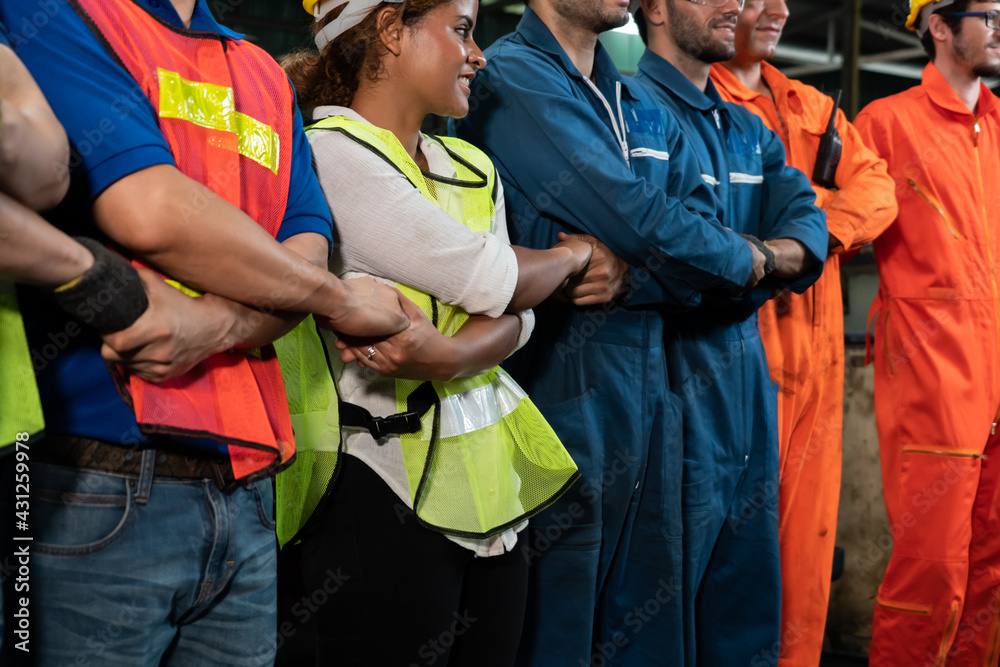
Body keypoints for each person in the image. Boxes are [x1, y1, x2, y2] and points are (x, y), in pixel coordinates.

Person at [0, 0, 412, 663]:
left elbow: (301, 255)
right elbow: (149, 210)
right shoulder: (54, 13)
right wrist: (339, 298)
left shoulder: (261, 71)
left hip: (245, 490)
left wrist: (208, 323)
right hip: (93, 477)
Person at [277, 1, 612, 663]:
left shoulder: (470, 165)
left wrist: (448, 351)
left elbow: (521, 318)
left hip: (492, 492)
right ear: (391, 30)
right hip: (377, 481)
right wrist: (576, 255)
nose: (478, 53)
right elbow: (495, 281)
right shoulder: (331, 153)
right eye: (461, 28)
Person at [455, 0, 785, 663]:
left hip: (650, 414)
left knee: (650, 641)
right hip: (555, 407)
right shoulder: (513, 79)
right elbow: (634, 211)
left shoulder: (636, 103)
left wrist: (635, 277)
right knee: (555, 635)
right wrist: (746, 259)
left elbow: (691, 222)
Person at [630, 1, 827, 663]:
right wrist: (757, 261)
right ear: (654, 8)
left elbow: (808, 221)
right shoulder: (629, 111)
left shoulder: (749, 129)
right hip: (665, 378)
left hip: (745, 380)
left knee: (746, 606)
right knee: (658, 615)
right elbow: (664, 254)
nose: (736, 5)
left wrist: (753, 261)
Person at [707, 2, 897, 664]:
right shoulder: (701, 99)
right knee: (737, 554)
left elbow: (878, 189)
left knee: (807, 555)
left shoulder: (809, 105)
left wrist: (809, 235)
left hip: (816, 359)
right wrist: (808, 227)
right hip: (743, 347)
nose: (779, 9)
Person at [853, 0, 1000, 664]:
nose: (999, 28)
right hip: (934, 393)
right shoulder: (887, 125)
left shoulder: (999, 128)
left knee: (989, 575)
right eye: (988, 15)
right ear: (939, 25)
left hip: (997, 392)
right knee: (930, 576)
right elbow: (830, 215)